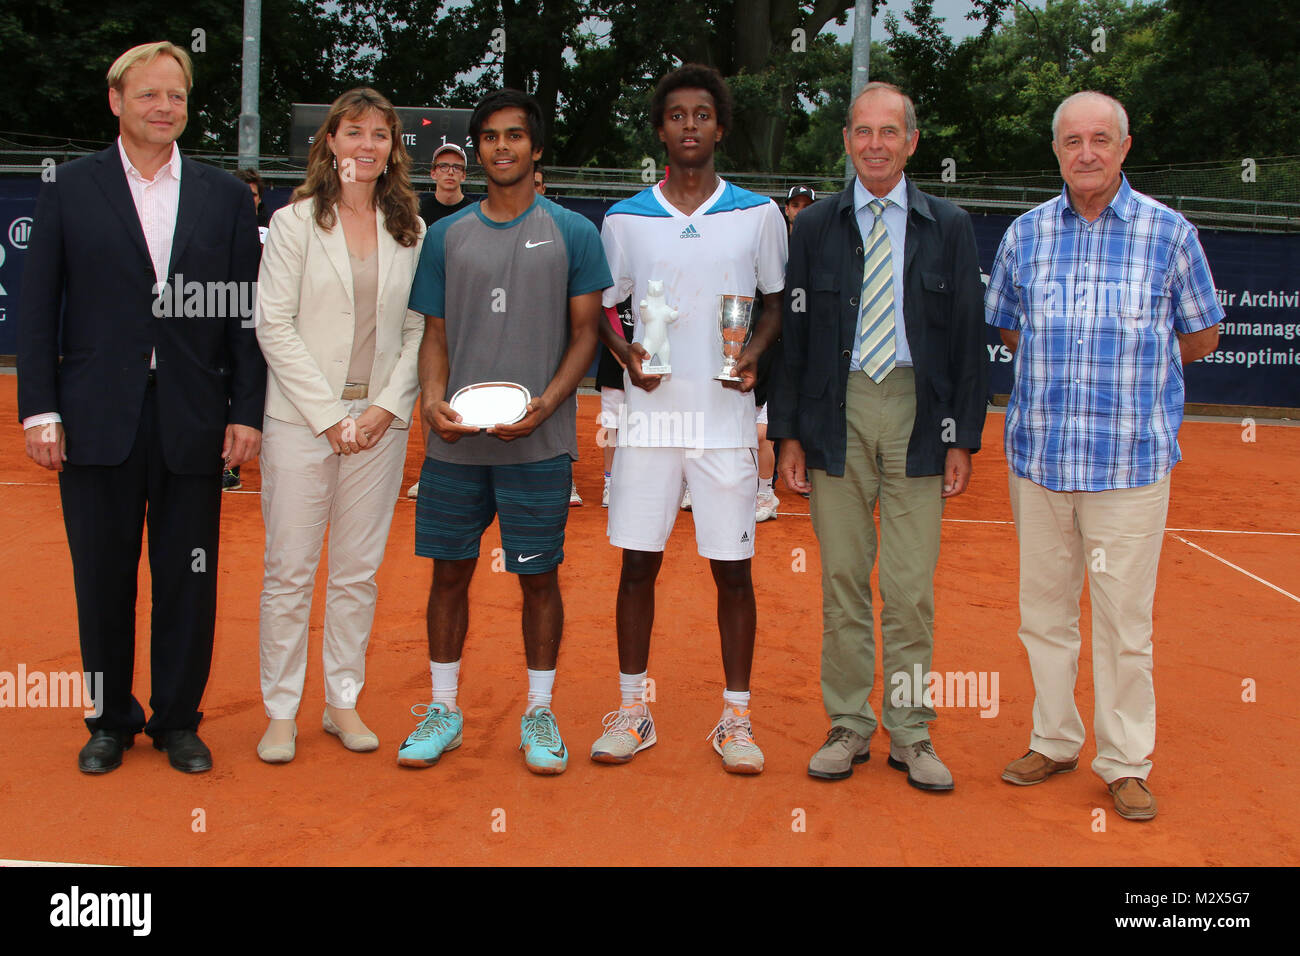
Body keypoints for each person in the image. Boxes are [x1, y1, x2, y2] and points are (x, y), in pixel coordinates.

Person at [17, 41, 265, 774]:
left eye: (177, 96)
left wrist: (246, 410)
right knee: (102, 576)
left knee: (188, 575)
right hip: (95, 415)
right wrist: (40, 410)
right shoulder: (71, 186)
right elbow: (39, 309)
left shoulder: (223, 195)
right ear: (116, 100)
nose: (165, 107)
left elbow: (244, 315)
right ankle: (109, 720)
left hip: (193, 414)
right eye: (150, 94)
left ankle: (178, 719)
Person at [985, 91, 1222, 821]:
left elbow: (1200, 335)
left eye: (1099, 139)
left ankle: (1124, 761)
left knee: (1125, 622)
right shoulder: (1024, 235)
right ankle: (1054, 740)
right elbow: (1010, 328)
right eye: (1070, 141)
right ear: (1056, 151)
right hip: (1041, 463)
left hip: (1128, 469)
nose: (1084, 152)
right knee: (1044, 615)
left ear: (1124, 148)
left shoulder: (1170, 234)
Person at [769, 82, 987, 789]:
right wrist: (790, 433)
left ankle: (912, 731)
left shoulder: (947, 225)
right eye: (862, 131)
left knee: (909, 585)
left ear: (911, 141)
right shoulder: (815, 227)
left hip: (920, 411)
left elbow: (965, 342)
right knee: (841, 577)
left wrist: (961, 438)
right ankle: (848, 724)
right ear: (846, 141)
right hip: (838, 407)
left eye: (888, 132)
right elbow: (794, 336)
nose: (874, 144)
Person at [398, 88, 610, 775]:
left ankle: (540, 712)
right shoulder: (446, 236)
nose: (501, 147)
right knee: (448, 576)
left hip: (539, 442)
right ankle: (442, 710)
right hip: (458, 443)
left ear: (536, 148)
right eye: (489, 137)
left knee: (538, 578)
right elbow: (434, 335)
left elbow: (585, 335)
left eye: (514, 136)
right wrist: (432, 399)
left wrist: (549, 404)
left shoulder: (575, 233)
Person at [591, 64, 787, 774]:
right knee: (637, 565)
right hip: (648, 420)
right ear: (661, 129)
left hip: (726, 421)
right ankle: (634, 710)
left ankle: (736, 719)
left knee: (732, 571)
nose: (690, 126)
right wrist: (625, 354)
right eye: (677, 115)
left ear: (721, 127)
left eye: (702, 114)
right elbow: (604, 307)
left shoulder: (758, 215)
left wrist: (755, 357)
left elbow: (772, 304)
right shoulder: (624, 219)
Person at [252, 88, 426, 764]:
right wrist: (329, 418)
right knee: (289, 571)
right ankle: (280, 710)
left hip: (381, 423)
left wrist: (383, 407)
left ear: (392, 149)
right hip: (301, 421)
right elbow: (275, 326)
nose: (366, 145)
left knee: (357, 572)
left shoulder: (410, 229)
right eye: (353, 132)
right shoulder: (294, 224)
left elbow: (418, 330)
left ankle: (342, 701)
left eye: (380, 134)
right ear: (330, 142)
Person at [225, 168, 272, 492]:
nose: (247, 200)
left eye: (253, 195)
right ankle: (229, 466)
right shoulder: (211, 231)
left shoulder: (271, 233)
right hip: (225, 321)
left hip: (267, 324)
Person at [418, 142, 474, 226]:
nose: (450, 172)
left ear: (463, 175)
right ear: (433, 173)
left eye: (456, 167)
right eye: (443, 166)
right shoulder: (418, 212)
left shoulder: (474, 213)